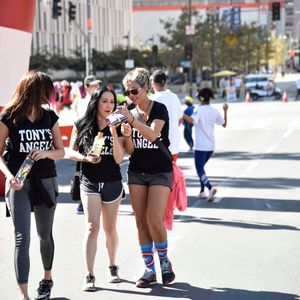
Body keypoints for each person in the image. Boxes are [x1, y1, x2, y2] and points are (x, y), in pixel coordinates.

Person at [0, 70, 65, 300]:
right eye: (45, 90)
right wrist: (8, 176)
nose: (48, 95)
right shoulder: (9, 116)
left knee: (44, 234)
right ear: (32, 90)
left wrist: (46, 152)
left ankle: (47, 279)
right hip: (18, 182)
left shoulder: (49, 116)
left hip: (45, 179)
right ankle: (24, 294)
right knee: (22, 238)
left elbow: (61, 151)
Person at [118, 67, 175, 288]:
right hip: (137, 172)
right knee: (140, 221)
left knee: (154, 219)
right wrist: (126, 135)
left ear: (145, 88)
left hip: (160, 170)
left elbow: (152, 134)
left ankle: (164, 262)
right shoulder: (130, 112)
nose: (130, 96)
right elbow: (131, 151)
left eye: (134, 91)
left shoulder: (159, 109)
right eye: (127, 92)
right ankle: (149, 268)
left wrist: (132, 121)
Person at [68, 87, 125, 291]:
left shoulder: (118, 125)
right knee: (92, 228)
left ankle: (112, 266)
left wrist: (112, 131)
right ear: (96, 102)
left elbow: (119, 158)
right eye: (104, 102)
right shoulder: (82, 124)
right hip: (89, 181)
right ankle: (89, 274)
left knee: (110, 228)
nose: (109, 106)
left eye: (112, 102)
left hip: (112, 181)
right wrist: (85, 158)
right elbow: (70, 152)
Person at [183, 87, 228, 202]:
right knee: (201, 169)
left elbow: (192, 121)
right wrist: (225, 111)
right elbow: (224, 124)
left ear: (201, 98)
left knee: (199, 170)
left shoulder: (200, 110)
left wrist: (180, 113)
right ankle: (202, 192)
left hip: (200, 146)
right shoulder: (214, 110)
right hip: (211, 146)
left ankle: (210, 187)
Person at [76, 74, 102, 214]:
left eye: (98, 85)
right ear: (86, 87)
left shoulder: (100, 101)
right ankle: (81, 201)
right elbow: (80, 123)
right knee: (84, 170)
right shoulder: (83, 101)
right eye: (93, 85)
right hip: (86, 140)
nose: (97, 87)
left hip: (99, 138)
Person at [150, 69, 183, 161]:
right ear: (165, 83)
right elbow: (180, 119)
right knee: (172, 172)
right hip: (174, 143)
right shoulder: (174, 97)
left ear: (153, 83)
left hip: (158, 145)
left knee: (159, 174)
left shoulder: (152, 99)